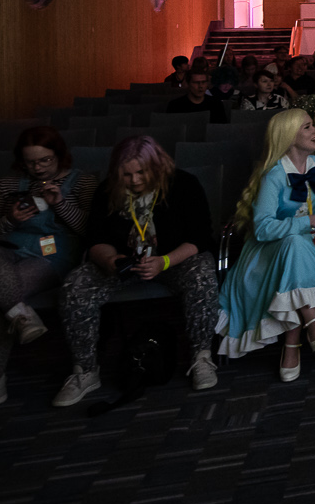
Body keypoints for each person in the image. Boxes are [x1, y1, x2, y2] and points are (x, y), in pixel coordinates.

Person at [54, 136, 220, 405]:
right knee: (76, 286)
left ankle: (201, 357)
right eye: (127, 175)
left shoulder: (183, 184)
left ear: (157, 166)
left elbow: (200, 238)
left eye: (141, 173)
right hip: (125, 263)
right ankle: (85, 370)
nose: (134, 180)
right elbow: (95, 239)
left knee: (202, 274)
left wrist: (164, 262)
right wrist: (111, 260)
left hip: (173, 260)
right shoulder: (108, 190)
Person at [0, 127, 97, 419]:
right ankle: (21, 315)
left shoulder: (83, 181)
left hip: (54, 253)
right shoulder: (7, 184)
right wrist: (9, 220)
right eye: (30, 162)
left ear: (59, 155)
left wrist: (60, 204)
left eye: (45, 160)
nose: (38, 168)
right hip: (7, 249)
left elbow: (90, 231)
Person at [217, 110, 315, 380]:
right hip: (272, 248)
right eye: (307, 127)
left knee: (298, 250)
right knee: (294, 246)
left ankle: (293, 342)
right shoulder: (274, 176)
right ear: (289, 136)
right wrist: (307, 221)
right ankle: (312, 326)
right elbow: (262, 228)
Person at [165, 66, 230, 123]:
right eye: (196, 82)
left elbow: (222, 129)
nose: (200, 86)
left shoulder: (216, 104)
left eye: (203, 82)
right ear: (188, 84)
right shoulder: (175, 106)